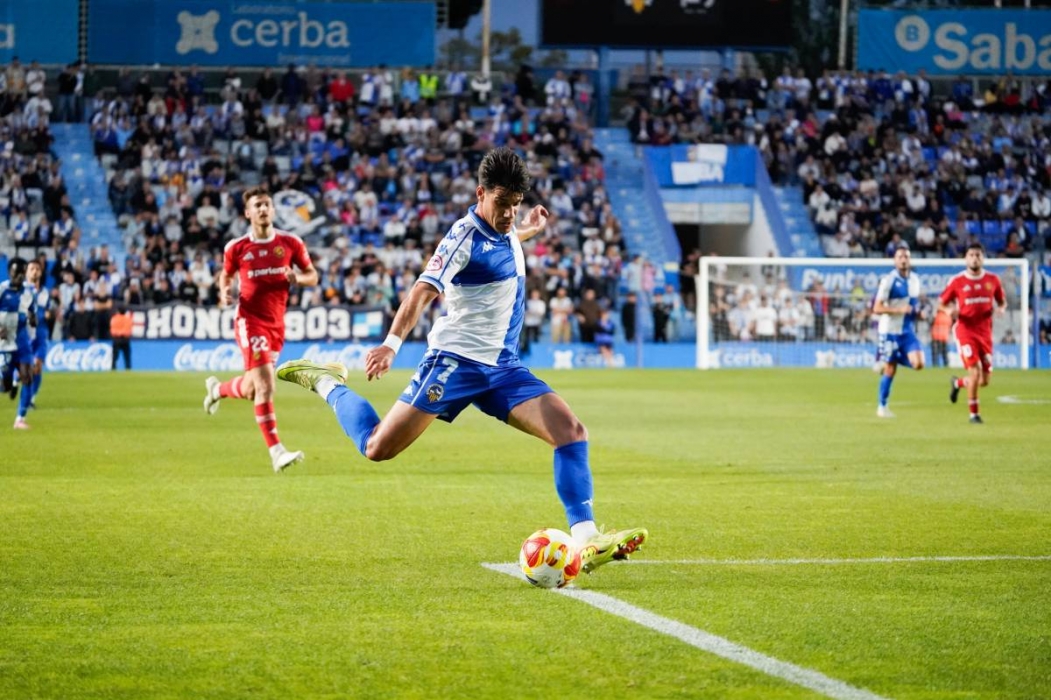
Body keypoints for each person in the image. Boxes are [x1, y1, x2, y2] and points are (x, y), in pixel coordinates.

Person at [275, 148, 646, 573]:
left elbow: (502, 244)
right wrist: (391, 345)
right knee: (377, 447)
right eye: (502, 204)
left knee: (570, 431)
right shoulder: (461, 236)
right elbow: (422, 291)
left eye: (516, 205)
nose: (509, 213)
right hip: (456, 363)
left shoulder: (505, 228)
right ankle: (325, 382)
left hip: (503, 368)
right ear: (480, 193)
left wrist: (527, 230)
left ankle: (587, 540)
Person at [202, 186, 320, 472]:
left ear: (274, 210)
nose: (263, 209)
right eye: (257, 205)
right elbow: (226, 275)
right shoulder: (237, 247)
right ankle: (277, 452)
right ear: (248, 213)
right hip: (249, 320)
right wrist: (224, 292)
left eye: (267, 204)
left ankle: (218, 389)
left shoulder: (290, 242)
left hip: (276, 324)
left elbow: (313, 276)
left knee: (254, 388)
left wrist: (297, 279)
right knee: (267, 385)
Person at [939, 243, 1006, 424]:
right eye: (971, 255)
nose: (975, 258)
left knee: (984, 381)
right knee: (975, 373)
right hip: (965, 330)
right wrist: (948, 311)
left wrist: (1000, 309)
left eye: (978, 255)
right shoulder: (957, 281)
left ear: (983, 258)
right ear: (966, 258)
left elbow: (1002, 302)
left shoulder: (993, 280)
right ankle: (973, 414)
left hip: (985, 332)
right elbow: (942, 303)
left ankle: (958, 383)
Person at [873, 245, 925, 418]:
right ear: (895, 260)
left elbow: (913, 306)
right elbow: (877, 308)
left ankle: (886, 358)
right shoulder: (888, 281)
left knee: (919, 364)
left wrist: (919, 313)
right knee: (890, 370)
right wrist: (899, 310)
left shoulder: (915, 280)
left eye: (906, 257)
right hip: (889, 331)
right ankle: (882, 406)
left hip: (907, 331)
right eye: (900, 257)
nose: (903, 260)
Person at [0, 258, 37, 429]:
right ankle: (9, 384)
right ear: (10, 273)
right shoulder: (2, 290)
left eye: (23, 273)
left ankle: (20, 419)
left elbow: (32, 314)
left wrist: (32, 320)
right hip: (5, 343)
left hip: (22, 341)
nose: (20, 277)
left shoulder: (29, 292)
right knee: (5, 386)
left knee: (28, 376)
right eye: (17, 273)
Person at [25, 260, 51, 408]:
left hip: (40, 332)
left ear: (40, 272)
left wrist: (48, 314)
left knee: (38, 366)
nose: (35, 271)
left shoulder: (45, 292)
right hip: (25, 332)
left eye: (37, 269)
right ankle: (14, 380)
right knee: (24, 366)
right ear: (27, 272)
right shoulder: (21, 290)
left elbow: (45, 310)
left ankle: (31, 399)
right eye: (32, 268)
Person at [110, 306, 133, 370]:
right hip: (125, 340)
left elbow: (112, 331)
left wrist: (118, 333)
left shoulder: (114, 318)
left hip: (116, 339)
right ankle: (128, 370)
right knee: (127, 357)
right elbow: (128, 331)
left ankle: (113, 369)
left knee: (114, 357)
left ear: (118, 311)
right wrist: (122, 332)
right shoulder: (128, 319)